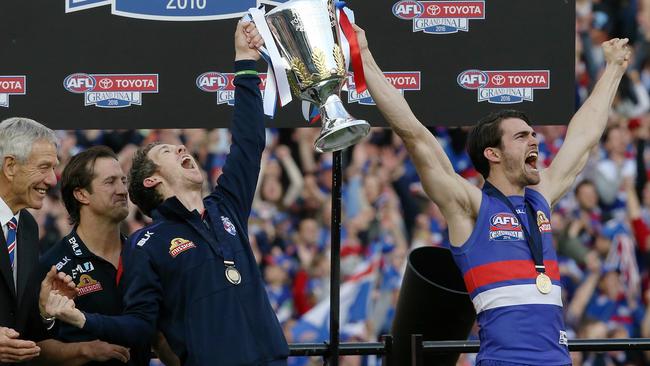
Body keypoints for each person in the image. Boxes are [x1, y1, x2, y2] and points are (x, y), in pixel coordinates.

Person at [354, 23, 631, 365]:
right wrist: (363, 55)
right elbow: (414, 135)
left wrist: (614, 69)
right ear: (493, 154)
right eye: (521, 137)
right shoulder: (471, 207)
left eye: (533, 134)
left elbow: (584, 137)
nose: (534, 140)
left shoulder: (539, 199)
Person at [45, 21, 290, 366]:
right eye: (166, 153)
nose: (180, 151)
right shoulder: (146, 245)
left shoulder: (226, 207)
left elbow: (249, 142)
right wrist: (81, 319)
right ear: (151, 181)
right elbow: (140, 327)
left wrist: (245, 62)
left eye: (179, 148)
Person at [37, 146, 159, 365]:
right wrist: (85, 351)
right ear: (82, 194)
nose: (123, 190)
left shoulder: (145, 254)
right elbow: (37, 346)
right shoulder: (52, 267)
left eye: (123, 180)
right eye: (110, 182)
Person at [0, 117, 75, 364]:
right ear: (10, 166)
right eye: (44, 167)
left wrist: (43, 309)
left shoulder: (28, 227)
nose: (53, 180)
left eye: (53, 168)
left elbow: (19, 322)